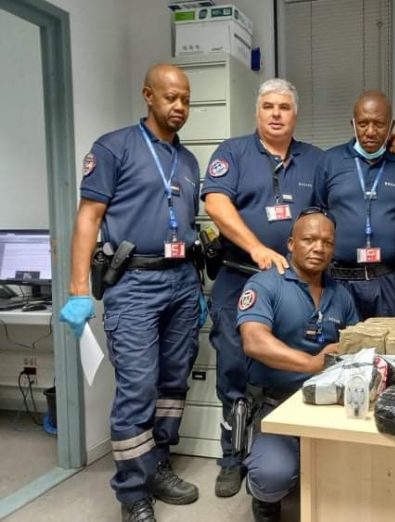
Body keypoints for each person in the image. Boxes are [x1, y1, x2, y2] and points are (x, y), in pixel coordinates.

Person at [59, 64, 204, 522]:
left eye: (185, 99)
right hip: (135, 282)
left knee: (172, 383)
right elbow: (88, 217)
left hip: (181, 279)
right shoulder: (114, 147)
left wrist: (195, 283)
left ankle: (158, 465)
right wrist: (78, 287)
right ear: (147, 95)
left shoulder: (188, 159)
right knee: (138, 388)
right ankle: (132, 492)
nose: (179, 106)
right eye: (170, 98)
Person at [201, 79, 325, 497]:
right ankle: (232, 458)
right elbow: (215, 203)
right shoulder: (232, 152)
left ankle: (292, 447)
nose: (276, 113)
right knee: (234, 371)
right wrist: (255, 247)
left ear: (295, 114)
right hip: (240, 279)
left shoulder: (315, 160)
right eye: (268, 106)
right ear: (258, 111)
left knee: (298, 361)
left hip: (296, 286)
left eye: (284, 107)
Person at [237, 207, 359, 521]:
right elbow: (253, 340)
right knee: (273, 474)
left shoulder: (341, 295)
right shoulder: (265, 284)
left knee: (363, 469)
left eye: (327, 242)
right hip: (275, 405)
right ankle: (265, 500)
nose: (318, 248)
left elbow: (355, 348)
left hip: (329, 408)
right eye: (309, 239)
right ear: (291, 243)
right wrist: (310, 363)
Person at [314, 90, 395, 319]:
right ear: (353, 124)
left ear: (391, 126)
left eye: (379, 124)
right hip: (339, 281)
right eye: (363, 124)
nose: (371, 132)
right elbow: (317, 214)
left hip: (389, 281)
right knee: (340, 349)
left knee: (389, 350)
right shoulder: (330, 161)